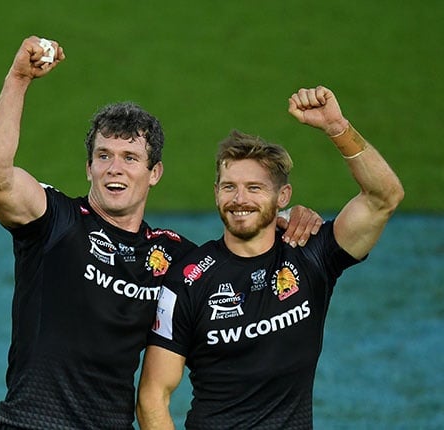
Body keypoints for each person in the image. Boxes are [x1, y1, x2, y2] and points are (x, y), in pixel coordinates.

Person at [0, 36, 323, 429]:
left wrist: (283, 215)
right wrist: (19, 78)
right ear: (89, 168)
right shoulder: (57, 222)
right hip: (34, 423)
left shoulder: (172, 256)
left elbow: (237, 255)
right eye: (103, 156)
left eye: (130, 158)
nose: (114, 168)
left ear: (154, 173)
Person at [136, 85, 405, 429]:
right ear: (216, 193)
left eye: (255, 187)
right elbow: (152, 396)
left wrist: (337, 128)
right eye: (229, 186)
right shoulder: (188, 280)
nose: (240, 198)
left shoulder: (312, 254)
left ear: (283, 196)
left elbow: (385, 197)